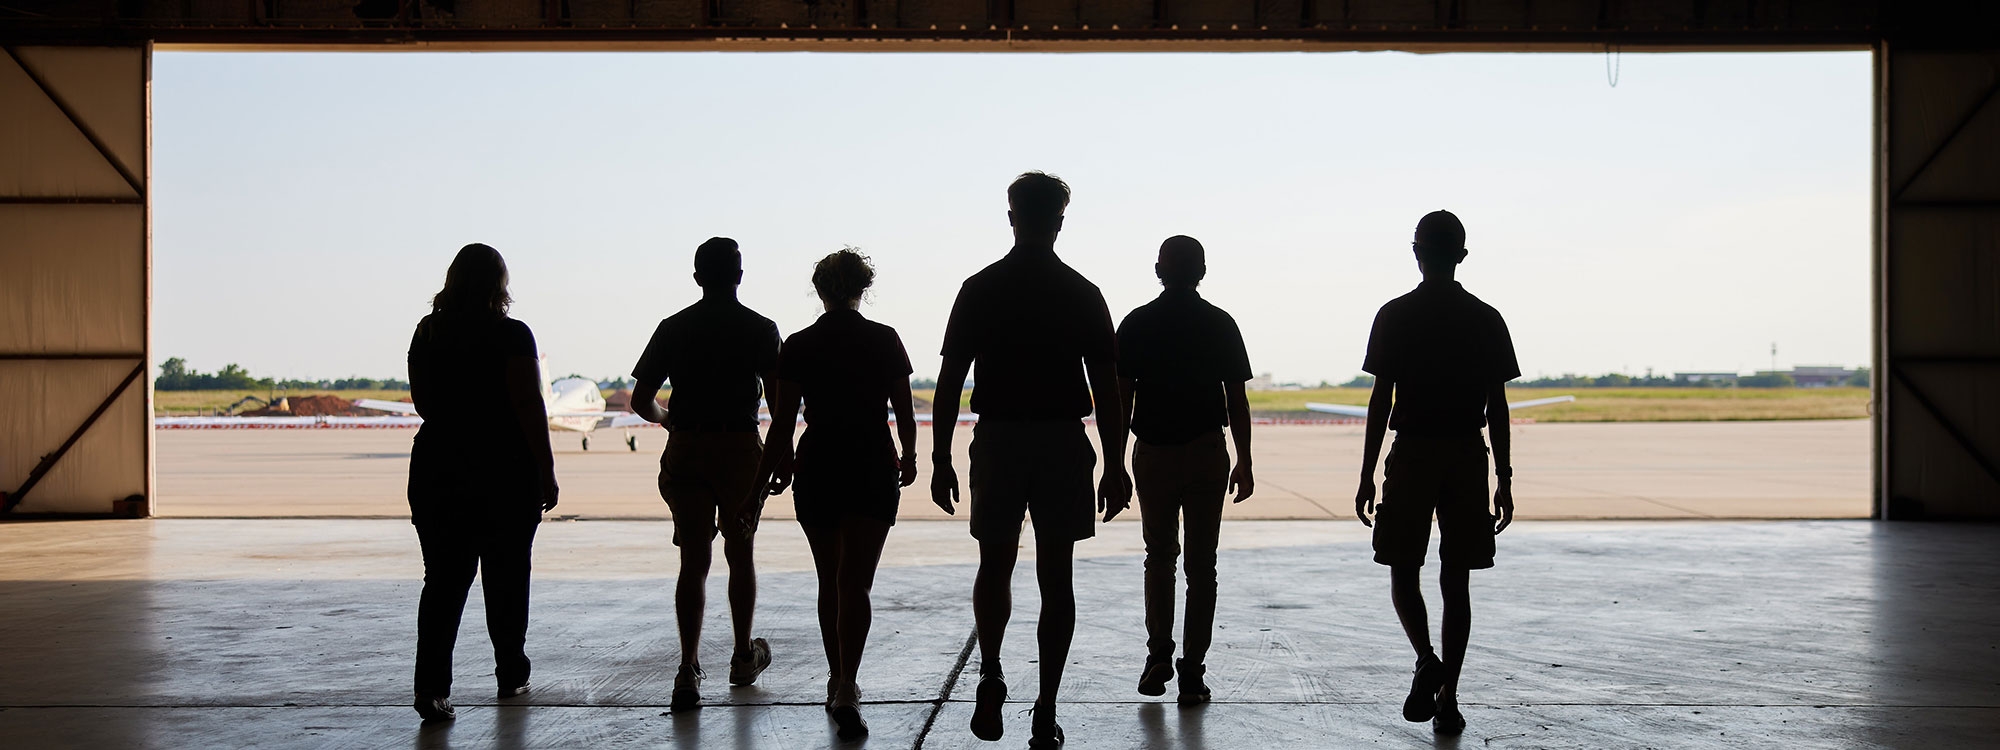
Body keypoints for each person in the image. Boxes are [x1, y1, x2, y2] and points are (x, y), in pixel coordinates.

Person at [931, 171, 1133, 748]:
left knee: (994, 564)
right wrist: (1116, 463)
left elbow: (949, 381)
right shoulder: (1082, 292)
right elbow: (1108, 390)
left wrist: (942, 457)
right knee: (1056, 576)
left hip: (996, 440)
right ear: (1060, 221)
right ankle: (1045, 707)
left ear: (1012, 215)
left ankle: (991, 671)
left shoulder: (980, 288)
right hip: (1060, 442)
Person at [1353, 210, 1519, 736]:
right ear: (1462, 255)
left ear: (1416, 251)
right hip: (1467, 457)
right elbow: (1498, 405)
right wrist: (1505, 479)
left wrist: (1366, 473)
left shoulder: (1394, 315)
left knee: (1403, 568)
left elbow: (1381, 401)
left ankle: (1425, 658)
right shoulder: (1486, 318)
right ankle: (1448, 698)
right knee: (1458, 579)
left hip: (1414, 453)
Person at [755, 249, 919, 741]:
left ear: (820, 289)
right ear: (862, 288)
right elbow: (904, 412)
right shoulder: (885, 339)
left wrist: (759, 484)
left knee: (830, 579)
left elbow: (783, 421)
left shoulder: (800, 343)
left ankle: (836, 678)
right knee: (857, 584)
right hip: (870, 460)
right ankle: (848, 683)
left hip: (821, 461)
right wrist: (909, 458)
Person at [405, 243, 560, 722]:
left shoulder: (427, 332)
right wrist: (547, 470)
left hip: (438, 466)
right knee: (508, 576)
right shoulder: (513, 335)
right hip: (505, 470)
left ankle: (431, 689)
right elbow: (528, 406)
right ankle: (510, 671)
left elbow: (422, 403)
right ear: (500, 285)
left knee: (443, 584)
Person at [629, 237, 782, 712]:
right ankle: (741, 656)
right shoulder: (760, 328)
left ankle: (688, 669)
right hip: (739, 450)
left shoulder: (673, 328)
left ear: (697, 277)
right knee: (741, 554)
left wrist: (666, 418)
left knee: (693, 561)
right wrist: (782, 459)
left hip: (688, 449)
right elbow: (779, 406)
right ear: (739, 275)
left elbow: (641, 400)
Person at [1115, 235, 1255, 706]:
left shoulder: (1136, 323)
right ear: (1202, 271)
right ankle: (1192, 670)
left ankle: (1158, 654)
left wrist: (1114, 461)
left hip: (1152, 452)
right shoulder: (1219, 323)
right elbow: (1236, 399)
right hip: (1205, 451)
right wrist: (1246, 459)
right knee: (1202, 565)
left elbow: (1121, 400)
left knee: (1159, 558)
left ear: (1158, 269)